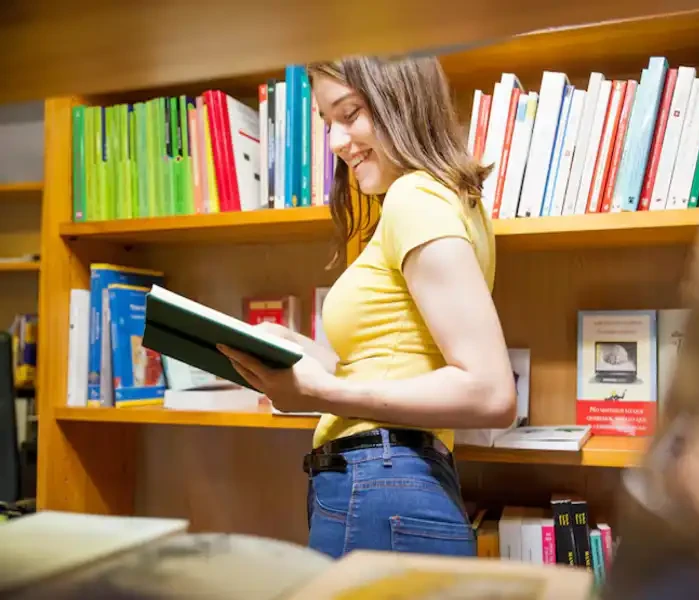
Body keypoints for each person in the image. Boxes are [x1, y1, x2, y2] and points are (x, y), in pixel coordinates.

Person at [218, 55, 517, 559]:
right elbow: (404, 360)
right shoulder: (448, 198)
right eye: (328, 122)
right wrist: (306, 355)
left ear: (400, 99)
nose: (337, 142)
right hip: (394, 483)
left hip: (381, 484)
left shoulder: (414, 197)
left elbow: (490, 393)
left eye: (350, 113)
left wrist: (323, 391)